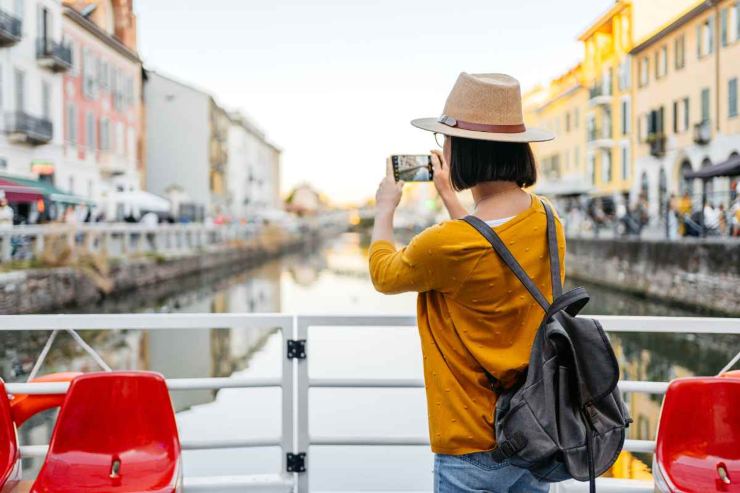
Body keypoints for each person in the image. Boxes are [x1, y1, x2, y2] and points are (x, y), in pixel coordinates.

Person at [369, 73, 563, 493]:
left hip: (471, 442)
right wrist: (450, 197)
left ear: (465, 152)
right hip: (535, 428)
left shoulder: (445, 243)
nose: (445, 151)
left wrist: (384, 209)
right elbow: (488, 249)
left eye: (447, 142)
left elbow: (384, 274)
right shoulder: (548, 220)